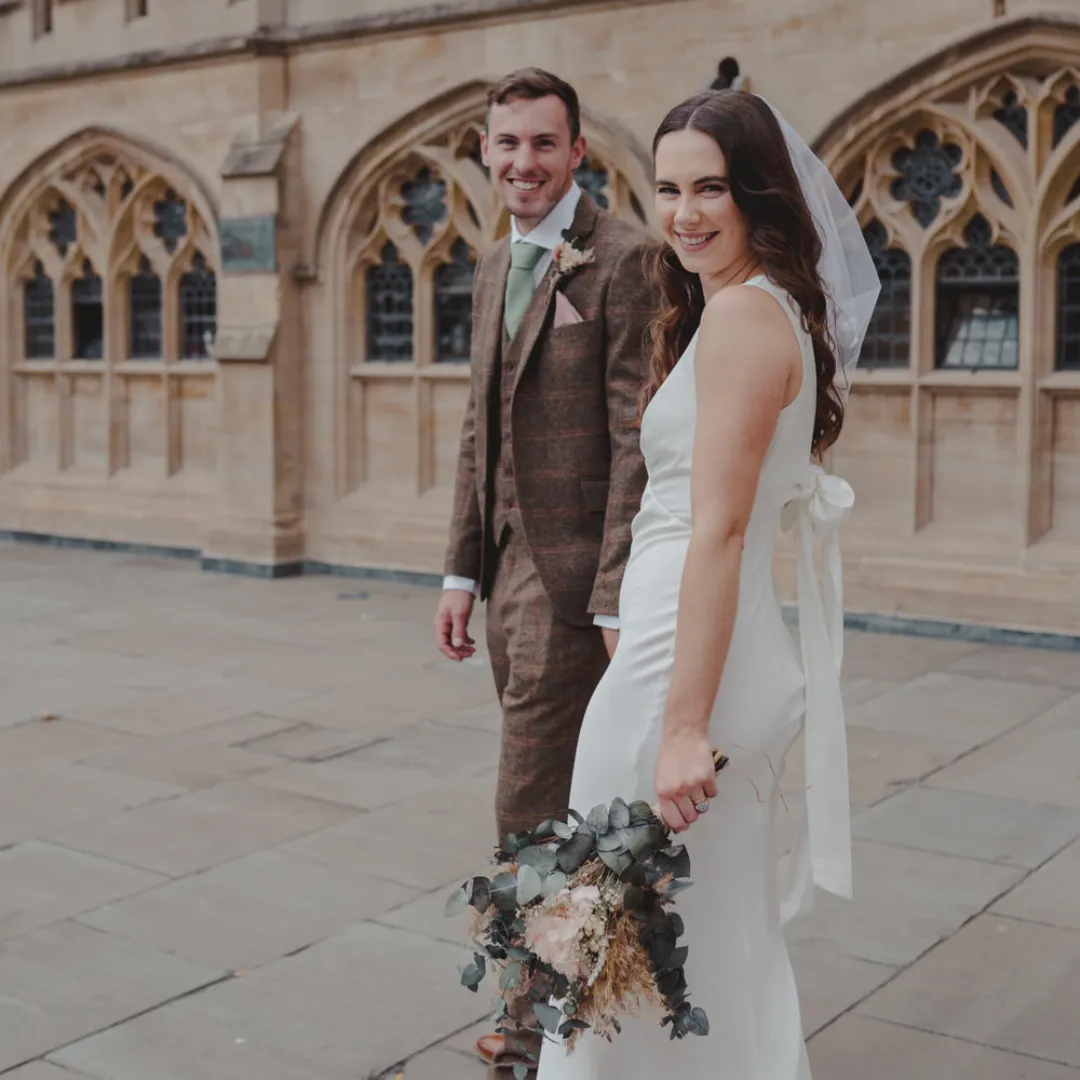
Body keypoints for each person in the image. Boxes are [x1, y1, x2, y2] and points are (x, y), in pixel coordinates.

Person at [536, 89, 879, 1080]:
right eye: (669, 188)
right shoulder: (760, 309)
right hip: (700, 652)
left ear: (756, 195)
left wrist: (681, 724)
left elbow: (719, 532)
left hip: (687, 678)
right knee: (703, 941)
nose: (684, 212)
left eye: (711, 188)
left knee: (617, 933)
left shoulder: (739, 318)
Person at [433, 67, 652, 1070]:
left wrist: (610, 597)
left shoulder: (626, 260)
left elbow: (630, 444)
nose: (523, 161)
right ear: (486, 151)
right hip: (508, 581)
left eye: (542, 144)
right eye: (507, 143)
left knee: (528, 809)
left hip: (572, 594)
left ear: (577, 153)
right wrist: (459, 574)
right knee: (559, 808)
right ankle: (578, 1000)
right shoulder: (490, 265)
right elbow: (481, 429)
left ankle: (529, 1030)